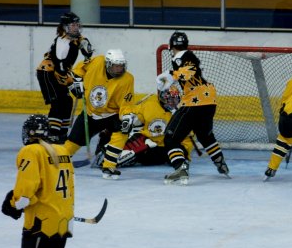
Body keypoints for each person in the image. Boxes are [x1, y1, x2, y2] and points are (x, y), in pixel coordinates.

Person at [1, 114, 74, 248]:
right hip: (62, 220)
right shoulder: (62, 150)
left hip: (40, 221)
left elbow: (25, 195)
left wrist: (12, 204)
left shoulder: (31, 151)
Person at [157, 31, 229, 185]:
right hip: (209, 99)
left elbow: (190, 70)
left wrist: (172, 75)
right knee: (204, 135)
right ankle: (220, 163)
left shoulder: (181, 57)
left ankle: (180, 168)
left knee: (170, 138)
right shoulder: (186, 55)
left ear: (170, 46)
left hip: (194, 102)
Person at [63, 49, 135, 180]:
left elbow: (126, 103)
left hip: (111, 114)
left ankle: (109, 166)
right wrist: (76, 82)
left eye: (121, 65)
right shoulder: (97, 61)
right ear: (107, 64)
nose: (119, 69)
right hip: (90, 113)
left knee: (123, 130)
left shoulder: (128, 79)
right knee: (73, 142)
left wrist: (126, 117)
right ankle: (58, 163)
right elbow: (79, 69)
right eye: (116, 66)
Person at [93, 85, 193, 168]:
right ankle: (108, 150)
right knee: (133, 138)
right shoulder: (150, 106)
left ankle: (120, 158)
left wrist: (184, 152)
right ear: (163, 98)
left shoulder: (181, 114)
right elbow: (131, 116)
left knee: (146, 152)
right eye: (170, 99)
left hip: (166, 147)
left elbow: (187, 140)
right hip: (146, 140)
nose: (172, 103)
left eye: (175, 100)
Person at [37, 12, 94, 143]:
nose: (76, 27)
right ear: (65, 27)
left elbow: (85, 47)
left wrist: (86, 45)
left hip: (59, 73)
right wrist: (73, 83)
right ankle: (53, 134)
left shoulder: (75, 38)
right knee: (58, 103)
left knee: (67, 103)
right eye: (73, 25)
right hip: (48, 74)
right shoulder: (62, 42)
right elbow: (61, 67)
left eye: (77, 25)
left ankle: (62, 134)